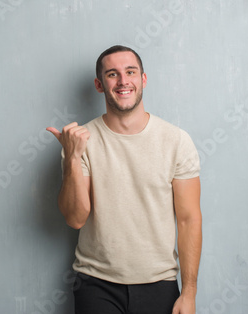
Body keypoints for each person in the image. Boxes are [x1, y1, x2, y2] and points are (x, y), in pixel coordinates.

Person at [46, 45, 202, 314]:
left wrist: (189, 293)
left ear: (143, 79)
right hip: (96, 283)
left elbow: (189, 219)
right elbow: (75, 218)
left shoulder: (176, 140)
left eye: (130, 72)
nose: (123, 81)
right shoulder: (80, 141)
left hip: (160, 283)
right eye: (112, 74)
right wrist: (72, 158)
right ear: (99, 84)